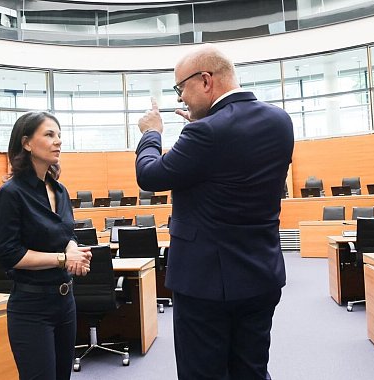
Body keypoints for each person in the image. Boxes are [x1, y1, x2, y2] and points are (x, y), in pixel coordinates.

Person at [135, 44, 294, 379]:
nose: (180, 99)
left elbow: (150, 176)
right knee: (251, 370)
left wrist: (151, 134)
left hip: (205, 282)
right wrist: (202, 122)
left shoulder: (204, 132)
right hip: (260, 273)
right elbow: (226, 164)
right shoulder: (280, 121)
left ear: (205, 80)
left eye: (181, 88)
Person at [0, 111, 93, 380]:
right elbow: (9, 255)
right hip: (31, 306)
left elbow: (66, 233)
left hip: (65, 302)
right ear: (26, 143)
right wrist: (62, 258)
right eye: (49, 134)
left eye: (59, 135)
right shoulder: (11, 194)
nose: (58, 141)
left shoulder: (60, 190)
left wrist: (72, 248)